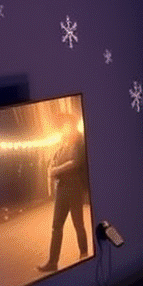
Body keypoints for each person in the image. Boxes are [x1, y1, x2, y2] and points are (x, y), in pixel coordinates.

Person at [38, 114, 89, 272]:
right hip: (62, 189)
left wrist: (55, 170)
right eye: (63, 126)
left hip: (74, 187)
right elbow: (56, 162)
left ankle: (84, 254)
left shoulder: (79, 141)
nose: (63, 128)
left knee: (78, 223)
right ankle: (53, 262)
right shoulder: (63, 143)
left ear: (72, 125)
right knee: (56, 226)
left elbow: (75, 162)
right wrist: (52, 169)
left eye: (66, 125)